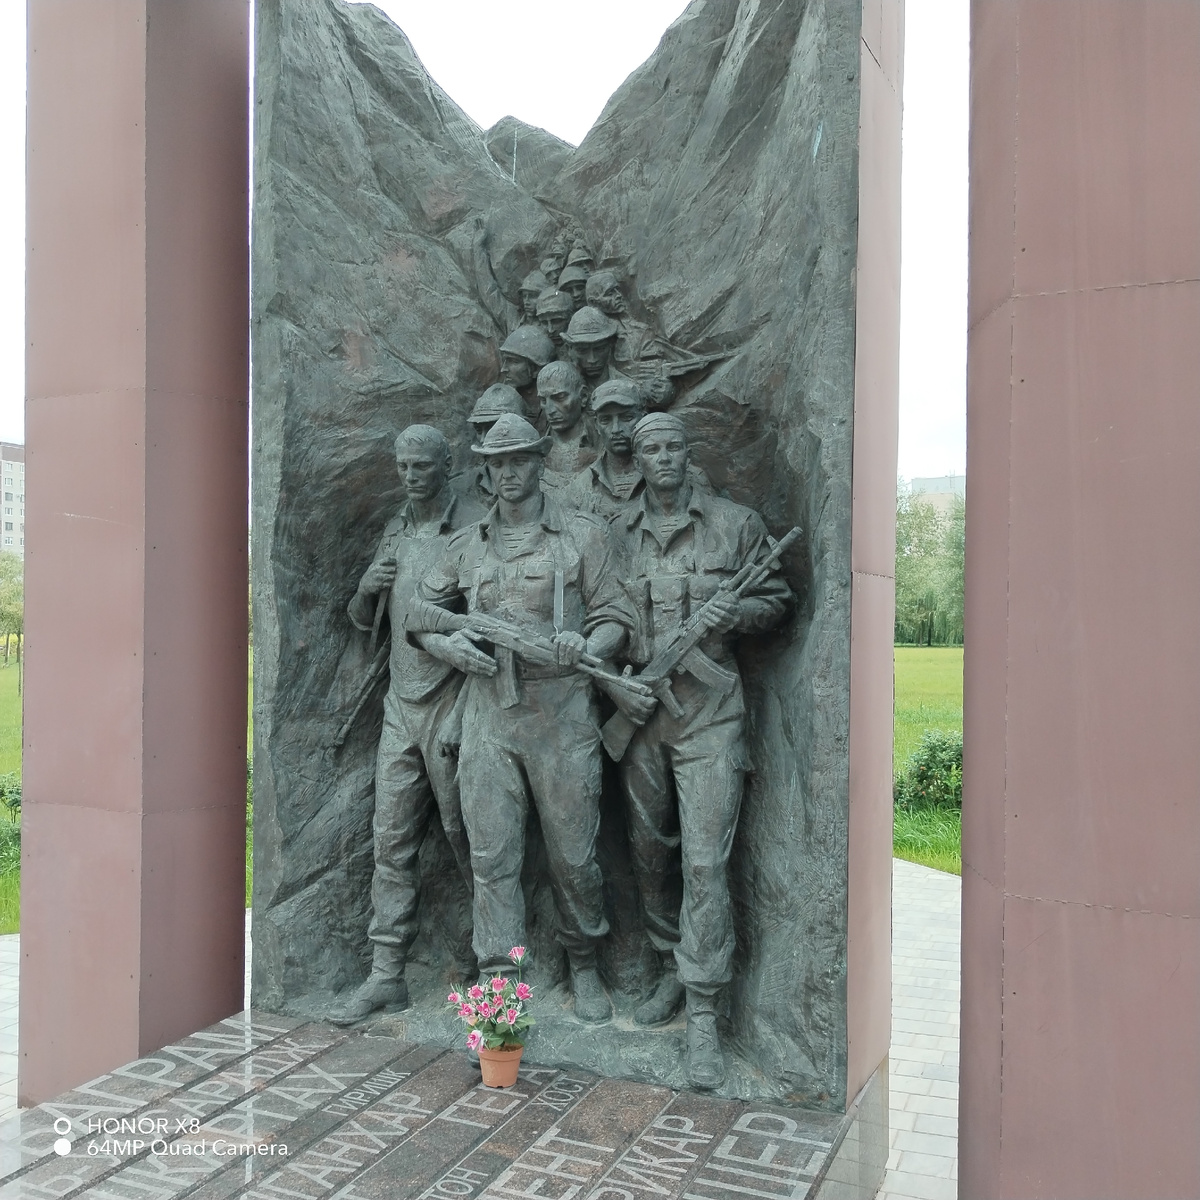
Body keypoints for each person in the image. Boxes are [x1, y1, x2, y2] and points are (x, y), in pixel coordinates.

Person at [409, 414, 644, 1024]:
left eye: (518, 460)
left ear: (539, 462)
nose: (508, 472)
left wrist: (589, 645)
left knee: (574, 857)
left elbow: (618, 615)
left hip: (562, 716)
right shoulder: (466, 545)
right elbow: (420, 611)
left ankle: (584, 964)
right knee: (492, 857)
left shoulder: (581, 536)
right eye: (496, 462)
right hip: (490, 715)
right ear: (485, 471)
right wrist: (450, 647)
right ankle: (500, 988)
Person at [614, 412, 793, 1088]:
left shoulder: (735, 525)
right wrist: (624, 684)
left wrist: (734, 616)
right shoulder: (617, 538)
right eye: (650, 448)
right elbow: (602, 616)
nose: (663, 457)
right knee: (650, 853)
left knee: (705, 864)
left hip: (712, 718)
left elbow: (777, 596)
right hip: (644, 718)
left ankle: (702, 1013)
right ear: (635, 460)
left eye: (673, 446)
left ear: (688, 455)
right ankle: (668, 960)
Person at [328, 425, 483, 1025]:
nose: (411, 475)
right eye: (403, 466)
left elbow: (488, 621)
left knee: (469, 837)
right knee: (390, 840)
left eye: (422, 465)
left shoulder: (472, 529)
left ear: (447, 465)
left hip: (453, 703)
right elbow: (365, 618)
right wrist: (367, 590)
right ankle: (386, 972)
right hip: (400, 706)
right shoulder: (395, 528)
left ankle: (495, 968)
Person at [566, 379, 710, 520]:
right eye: (606, 420)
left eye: (626, 418)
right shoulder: (580, 488)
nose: (616, 429)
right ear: (596, 425)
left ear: (643, 417)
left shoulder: (689, 477)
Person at [585, 271, 674, 409]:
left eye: (617, 290)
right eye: (610, 293)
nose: (619, 296)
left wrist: (664, 388)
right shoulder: (581, 335)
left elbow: (656, 371)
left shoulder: (640, 333)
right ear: (593, 302)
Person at [452, 383, 527, 506]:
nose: (482, 439)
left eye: (491, 428)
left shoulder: (545, 483)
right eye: (478, 430)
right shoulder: (460, 486)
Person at [536, 360, 597, 489]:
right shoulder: (536, 446)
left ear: (583, 396)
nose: (550, 410)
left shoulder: (602, 441)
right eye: (543, 400)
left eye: (559, 398)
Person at [561, 306, 631, 400]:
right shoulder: (561, 390)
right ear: (568, 349)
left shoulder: (627, 387)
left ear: (611, 345)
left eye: (599, 349)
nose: (592, 360)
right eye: (583, 351)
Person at [499, 325, 557, 426]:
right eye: (505, 361)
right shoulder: (501, 403)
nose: (504, 369)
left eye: (513, 361)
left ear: (535, 368)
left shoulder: (557, 407)